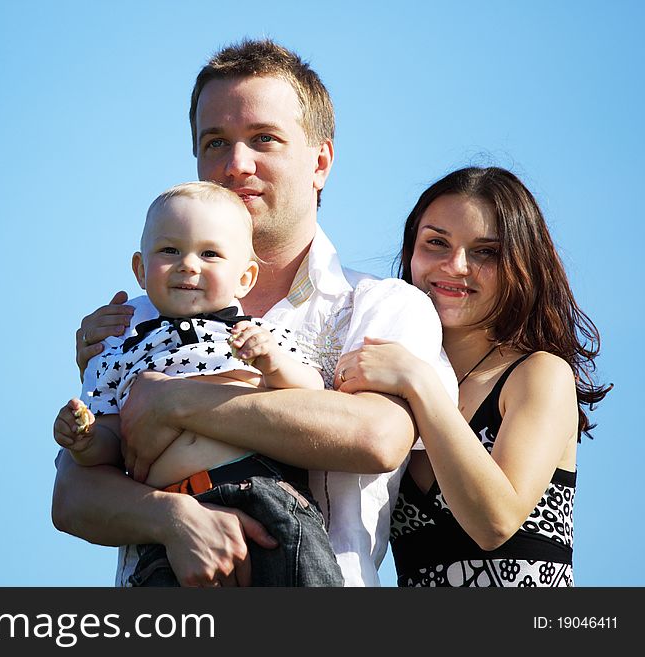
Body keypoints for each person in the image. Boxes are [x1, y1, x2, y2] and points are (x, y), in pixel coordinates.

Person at [53, 38, 457, 587]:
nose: (235, 164)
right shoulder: (131, 322)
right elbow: (73, 495)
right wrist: (174, 518)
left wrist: (175, 400)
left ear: (320, 161)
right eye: (215, 142)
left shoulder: (383, 305)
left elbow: (376, 437)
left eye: (263, 139)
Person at [55, 180, 343, 586]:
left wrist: (273, 363)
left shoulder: (257, 333)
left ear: (245, 277)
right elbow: (109, 443)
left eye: (210, 254)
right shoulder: (119, 351)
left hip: (265, 494)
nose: (189, 264)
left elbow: (312, 395)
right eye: (170, 251)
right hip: (167, 517)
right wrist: (84, 440)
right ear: (140, 269)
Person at [335, 166, 612, 586]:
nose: (456, 265)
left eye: (486, 252)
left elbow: (495, 523)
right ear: (411, 252)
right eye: (436, 243)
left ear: (522, 264)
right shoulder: (387, 381)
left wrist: (419, 381)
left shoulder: (537, 374)